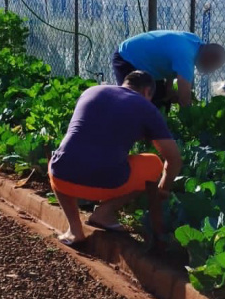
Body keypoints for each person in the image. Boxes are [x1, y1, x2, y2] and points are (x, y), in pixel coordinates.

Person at [48, 70, 183, 246]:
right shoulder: (146, 107)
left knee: (62, 157)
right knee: (153, 163)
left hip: (62, 179)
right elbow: (173, 159)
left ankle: (74, 229)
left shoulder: (91, 91)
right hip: (108, 182)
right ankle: (105, 212)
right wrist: (163, 191)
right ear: (147, 91)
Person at [111, 30, 225, 108]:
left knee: (162, 101)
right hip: (127, 58)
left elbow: (170, 58)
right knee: (132, 104)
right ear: (208, 57)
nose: (211, 71)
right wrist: (191, 123)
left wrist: (169, 88)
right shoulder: (186, 56)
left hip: (147, 65)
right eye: (213, 67)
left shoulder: (195, 43)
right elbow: (184, 99)